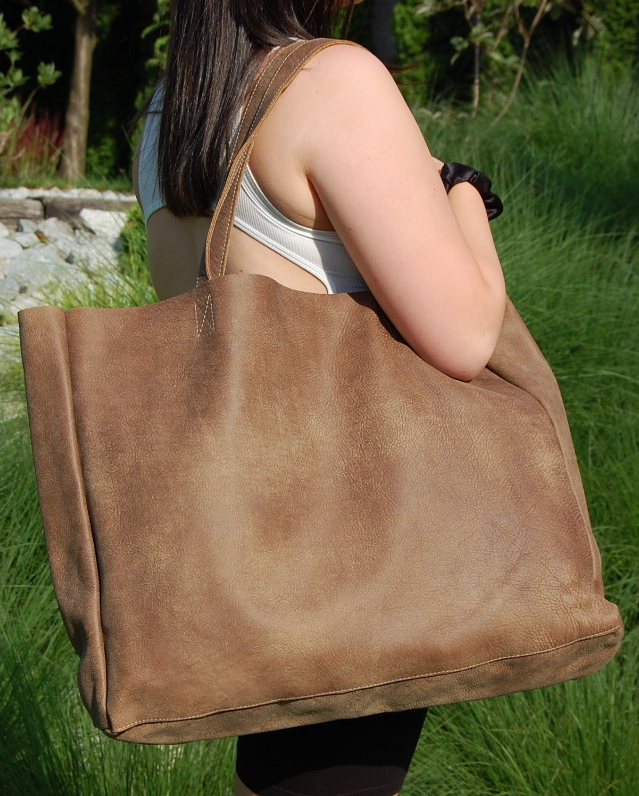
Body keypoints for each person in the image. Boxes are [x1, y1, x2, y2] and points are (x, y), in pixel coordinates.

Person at [132, 1, 507, 793]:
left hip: (246, 525)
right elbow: (468, 335)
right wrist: (464, 188)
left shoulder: (173, 110)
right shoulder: (333, 82)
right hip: (351, 538)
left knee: (277, 776)